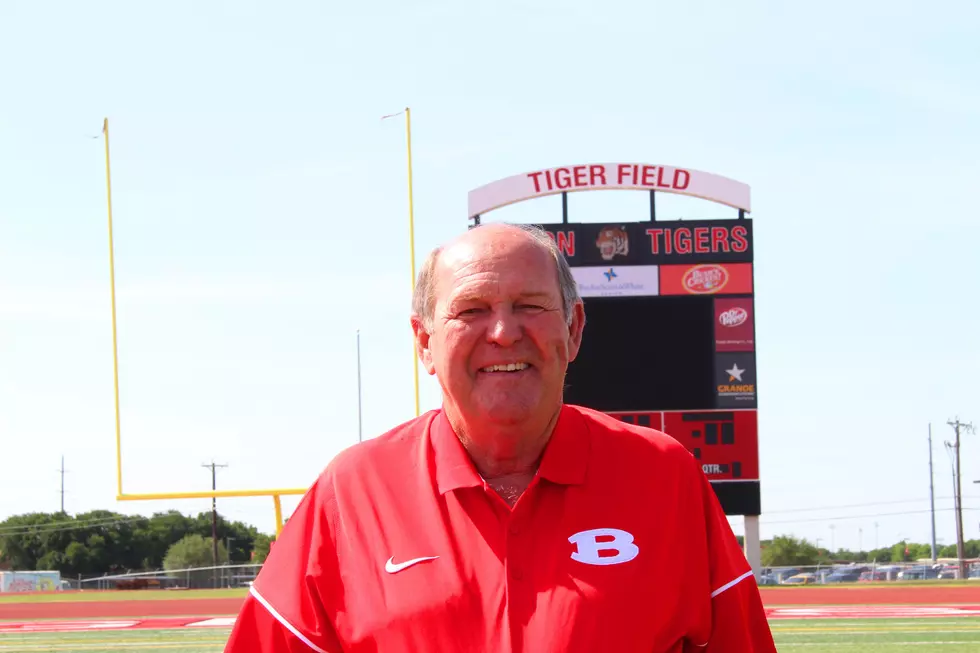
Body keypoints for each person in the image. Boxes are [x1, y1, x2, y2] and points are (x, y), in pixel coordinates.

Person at [224, 223, 777, 652]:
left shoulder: (664, 475)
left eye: (530, 306)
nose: (504, 332)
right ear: (425, 343)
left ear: (574, 329)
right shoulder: (352, 490)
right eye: (471, 310)